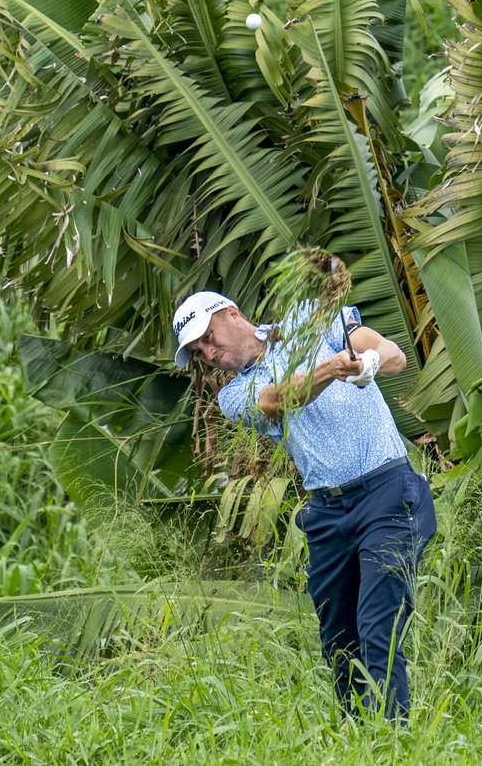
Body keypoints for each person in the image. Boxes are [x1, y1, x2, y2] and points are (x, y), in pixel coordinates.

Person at [171, 290, 436, 722]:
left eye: (207, 337)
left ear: (231, 314)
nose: (209, 353)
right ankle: (359, 739)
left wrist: (370, 361)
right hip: (328, 513)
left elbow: (391, 354)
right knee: (339, 642)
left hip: (388, 492)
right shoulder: (234, 395)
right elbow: (277, 399)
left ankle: (393, 739)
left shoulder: (309, 321)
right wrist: (334, 367)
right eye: (199, 351)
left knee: (378, 627)